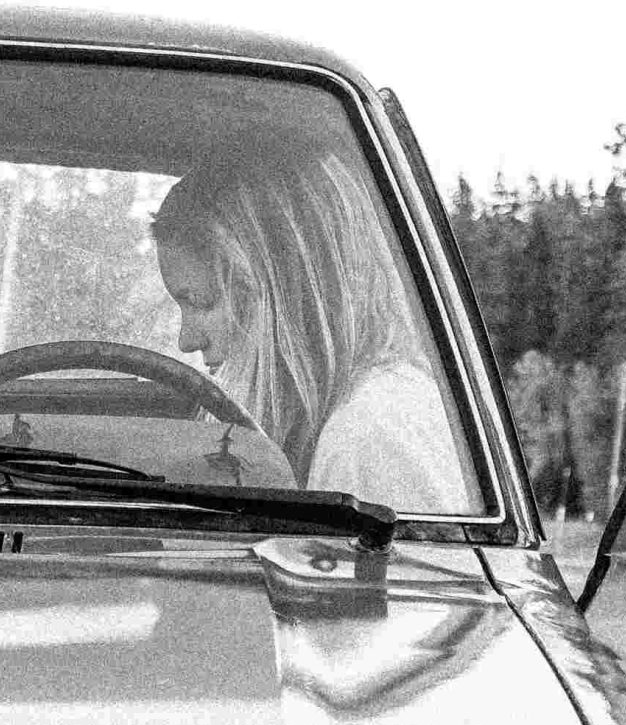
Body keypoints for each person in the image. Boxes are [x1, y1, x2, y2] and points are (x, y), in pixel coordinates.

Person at [150, 155, 469, 514]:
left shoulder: (365, 438)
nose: (186, 340)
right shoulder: (357, 415)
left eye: (198, 302)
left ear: (266, 288)